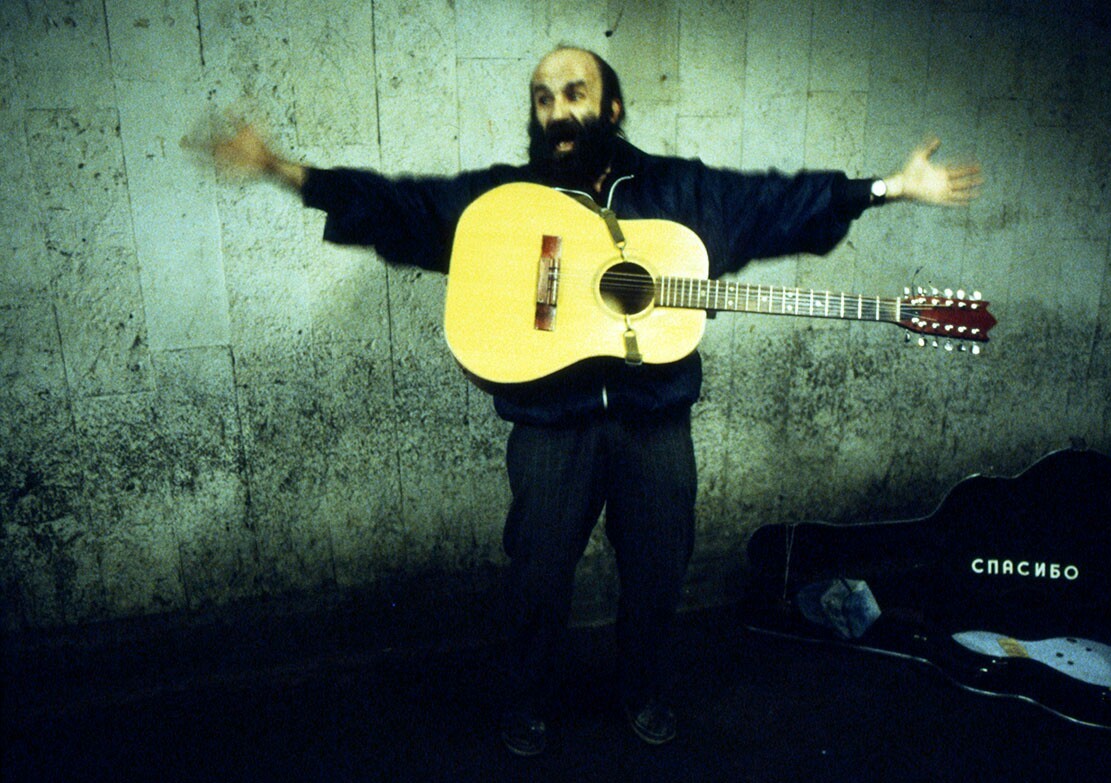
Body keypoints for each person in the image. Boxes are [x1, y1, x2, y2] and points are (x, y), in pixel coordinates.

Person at [204, 46, 982, 756]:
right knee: (537, 575)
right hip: (551, 427)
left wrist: (888, 188)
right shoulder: (506, 199)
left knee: (658, 570)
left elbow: (776, 203)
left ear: (611, 108)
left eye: (574, 92)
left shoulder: (680, 191)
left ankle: (640, 691)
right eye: (543, 98)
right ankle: (527, 700)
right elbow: (403, 209)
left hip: (655, 425)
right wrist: (287, 172)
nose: (557, 110)